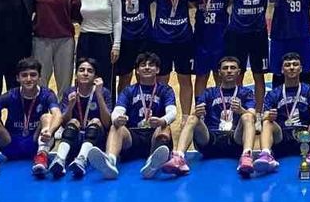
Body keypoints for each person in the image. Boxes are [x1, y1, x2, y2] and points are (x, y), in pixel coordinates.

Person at [89, 52, 177, 180]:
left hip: (154, 135)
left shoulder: (165, 90)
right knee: (115, 127)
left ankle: (152, 162)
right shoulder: (129, 90)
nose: (147, 67)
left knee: (165, 127)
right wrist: (117, 119)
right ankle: (110, 161)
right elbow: (117, 111)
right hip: (133, 136)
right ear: (137, 70)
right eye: (143, 65)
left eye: (151, 65)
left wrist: (162, 120)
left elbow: (172, 112)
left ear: (157, 70)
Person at [0, 58, 62, 178]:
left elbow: (58, 115)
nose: (28, 79)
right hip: (11, 144)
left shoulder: (47, 94)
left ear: (39, 77)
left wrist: (50, 132)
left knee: (48, 117)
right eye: (24, 75)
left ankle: (42, 156)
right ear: (18, 78)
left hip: (35, 143)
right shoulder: (10, 95)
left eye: (33, 75)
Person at [168, 56, 258, 178]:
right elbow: (197, 115)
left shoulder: (246, 93)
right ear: (219, 72)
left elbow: (253, 116)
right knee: (192, 118)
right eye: (225, 68)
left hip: (235, 140)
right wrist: (197, 113)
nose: (229, 71)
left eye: (233, 68)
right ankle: (179, 157)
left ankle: (247, 156)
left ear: (239, 72)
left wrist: (241, 110)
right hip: (210, 140)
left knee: (247, 116)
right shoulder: (208, 92)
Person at [255, 53, 310, 173]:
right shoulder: (273, 94)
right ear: (282, 70)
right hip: (282, 135)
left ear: (301, 69)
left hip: (305, 135)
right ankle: (266, 154)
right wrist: (269, 116)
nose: (291, 67)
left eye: (295, 64)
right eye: (287, 65)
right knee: (267, 121)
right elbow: (264, 116)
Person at [47, 56, 112, 179]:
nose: (85, 73)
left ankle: (82, 159)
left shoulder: (104, 92)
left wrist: (99, 95)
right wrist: (70, 106)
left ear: (95, 76)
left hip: (95, 141)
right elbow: (63, 123)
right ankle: (60, 158)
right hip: (73, 138)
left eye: (90, 71)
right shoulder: (69, 92)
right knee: (73, 121)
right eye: (81, 70)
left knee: (96, 121)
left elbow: (107, 123)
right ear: (76, 75)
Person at [224, 0, 272, 100]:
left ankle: (258, 111)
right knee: (237, 74)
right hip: (237, 32)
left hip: (258, 31)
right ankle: (237, 109)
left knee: (259, 75)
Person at [149, 0, 196, 104]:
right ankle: (162, 113)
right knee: (161, 80)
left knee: (185, 79)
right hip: (161, 39)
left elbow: (194, 3)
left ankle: (185, 116)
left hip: (183, 38)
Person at [30, 0, 80, 95]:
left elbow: (76, 13)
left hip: (65, 40)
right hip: (41, 39)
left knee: (65, 82)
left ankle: (63, 108)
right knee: (40, 80)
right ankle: (42, 107)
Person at [113, 0, 153, 90]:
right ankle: (123, 102)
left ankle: (142, 101)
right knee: (125, 76)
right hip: (123, 35)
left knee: (144, 74)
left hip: (143, 34)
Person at [192, 0, 229, 98]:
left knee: (220, 75)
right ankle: (199, 106)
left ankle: (221, 105)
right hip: (201, 40)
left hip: (221, 38)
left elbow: (231, 0)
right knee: (201, 76)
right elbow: (191, 3)